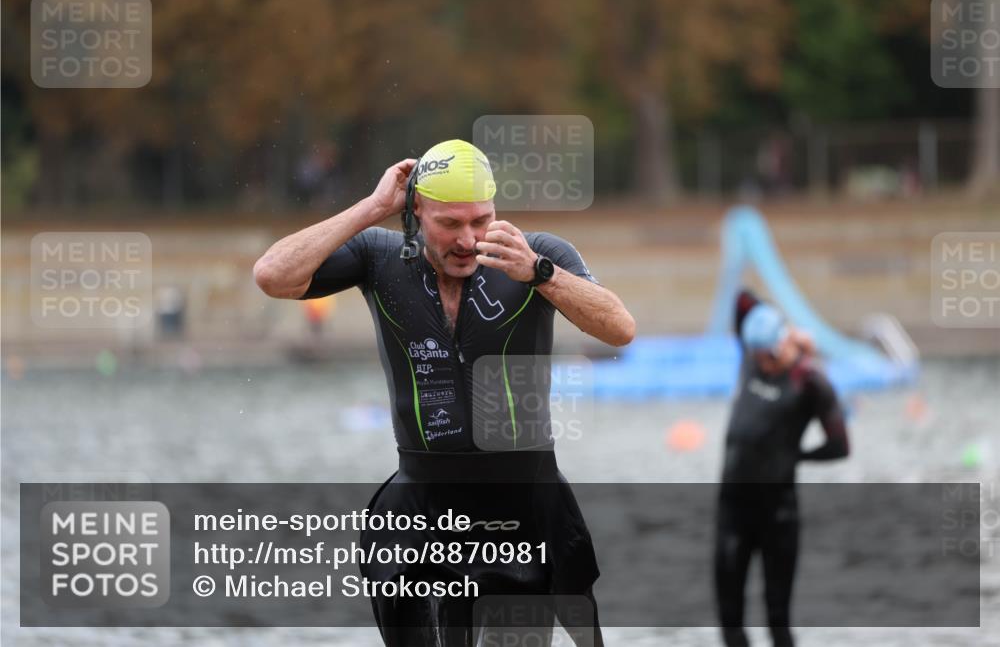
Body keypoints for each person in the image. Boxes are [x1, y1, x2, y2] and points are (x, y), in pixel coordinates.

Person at [253, 139, 635, 646]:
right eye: (450, 224)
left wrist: (539, 274)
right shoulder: (380, 257)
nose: (469, 239)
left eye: (481, 220)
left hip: (519, 504)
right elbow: (273, 276)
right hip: (421, 504)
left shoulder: (536, 255)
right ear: (415, 212)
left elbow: (619, 328)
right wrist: (371, 208)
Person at [714, 290, 849, 647]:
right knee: (730, 621)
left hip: (778, 515)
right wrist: (779, 322)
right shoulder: (751, 358)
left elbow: (841, 446)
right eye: (758, 356)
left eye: (769, 356)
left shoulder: (810, 381)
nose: (763, 363)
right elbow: (741, 299)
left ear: (785, 344)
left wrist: (796, 456)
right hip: (732, 511)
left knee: (777, 620)